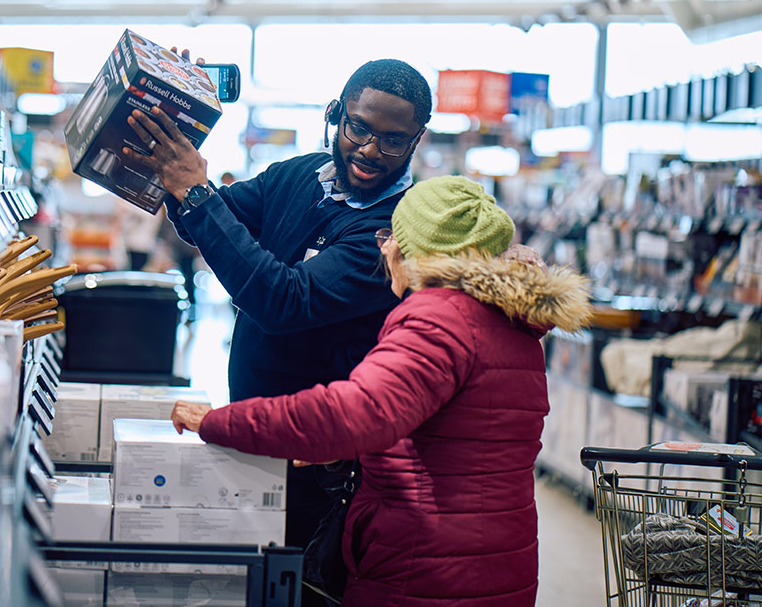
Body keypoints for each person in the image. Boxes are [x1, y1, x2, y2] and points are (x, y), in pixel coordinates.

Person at [170, 176, 593, 606]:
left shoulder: (440, 320)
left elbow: (353, 415)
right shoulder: (507, 321)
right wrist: (355, 452)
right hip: (492, 564)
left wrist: (221, 422)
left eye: (392, 236)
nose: (385, 247)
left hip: (424, 572)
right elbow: (456, 439)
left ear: (418, 253)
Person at [121, 59, 433, 570]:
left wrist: (195, 192)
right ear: (336, 114)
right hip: (256, 432)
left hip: (321, 463)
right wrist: (176, 131)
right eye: (359, 128)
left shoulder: (393, 232)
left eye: (393, 141)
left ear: (416, 140)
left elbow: (284, 302)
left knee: (299, 581)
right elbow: (210, 220)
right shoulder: (300, 175)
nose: (370, 151)